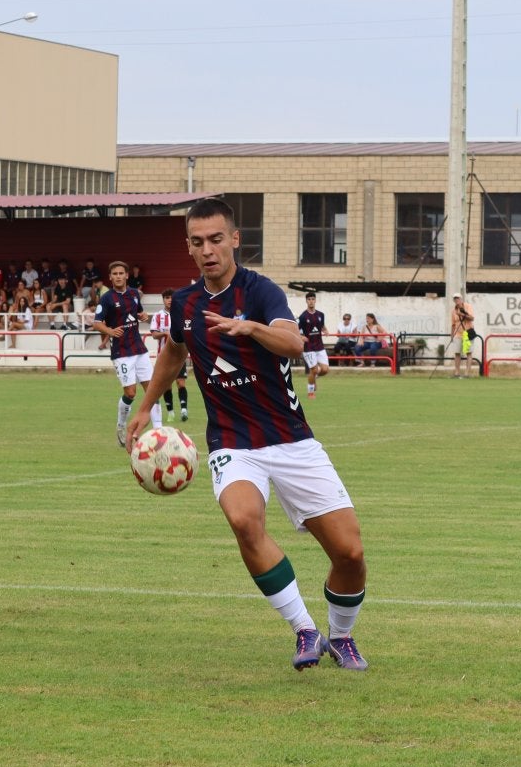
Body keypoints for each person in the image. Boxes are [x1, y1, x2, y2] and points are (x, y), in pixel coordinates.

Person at [124, 198, 368, 671]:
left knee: (350, 552)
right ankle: (305, 630)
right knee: (243, 520)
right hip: (234, 443)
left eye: (217, 239)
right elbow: (175, 350)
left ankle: (342, 636)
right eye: (198, 242)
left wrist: (250, 327)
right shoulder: (187, 304)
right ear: (189, 248)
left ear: (235, 239)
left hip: (292, 438)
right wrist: (147, 404)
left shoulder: (261, 291)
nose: (208, 250)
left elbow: (294, 344)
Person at [93, 260, 162, 448]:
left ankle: (159, 431)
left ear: (126, 275)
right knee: (130, 393)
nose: (118, 276)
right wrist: (110, 331)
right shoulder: (107, 298)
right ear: (110, 277)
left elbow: (138, 313)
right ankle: (121, 425)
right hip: (121, 352)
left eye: (121, 273)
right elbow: (96, 322)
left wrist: (144, 316)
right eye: (114, 274)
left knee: (152, 391)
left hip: (139, 349)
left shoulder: (133, 294)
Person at [148, 288, 190, 422]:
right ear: (163, 300)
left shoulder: (181, 314)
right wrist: (165, 334)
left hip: (180, 354)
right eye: (167, 298)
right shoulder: (158, 316)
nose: (169, 300)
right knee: (166, 385)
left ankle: (184, 410)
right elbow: (154, 335)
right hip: (164, 356)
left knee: (181, 382)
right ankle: (170, 411)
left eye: (171, 297)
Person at [297, 292, 330, 398]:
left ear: (315, 300)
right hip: (308, 348)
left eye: (313, 299)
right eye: (309, 299)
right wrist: (301, 336)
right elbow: (295, 330)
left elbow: (322, 325)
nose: (311, 301)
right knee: (314, 370)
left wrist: (325, 330)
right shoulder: (303, 316)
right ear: (306, 301)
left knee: (325, 370)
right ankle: (310, 392)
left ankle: (314, 378)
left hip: (319, 346)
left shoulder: (321, 315)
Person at [451, 293, 476, 378]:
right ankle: (457, 372)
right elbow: (453, 324)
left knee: (468, 353)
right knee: (457, 353)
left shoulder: (467, 306)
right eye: (455, 299)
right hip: (458, 334)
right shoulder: (453, 311)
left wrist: (462, 314)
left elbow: (472, 318)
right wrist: (452, 336)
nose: (456, 300)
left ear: (461, 299)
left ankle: (466, 373)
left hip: (468, 332)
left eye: (458, 298)